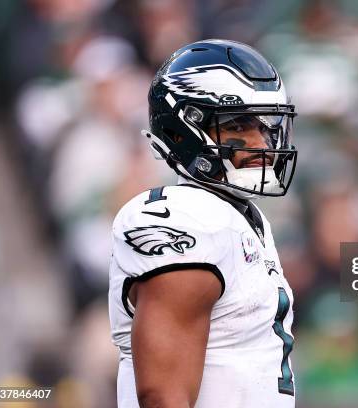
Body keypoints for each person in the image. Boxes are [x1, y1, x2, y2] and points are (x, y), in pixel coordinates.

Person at [108, 39, 298, 408]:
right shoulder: (189, 219)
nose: (262, 142)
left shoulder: (243, 219)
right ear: (185, 131)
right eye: (239, 127)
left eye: (265, 126)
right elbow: (164, 396)